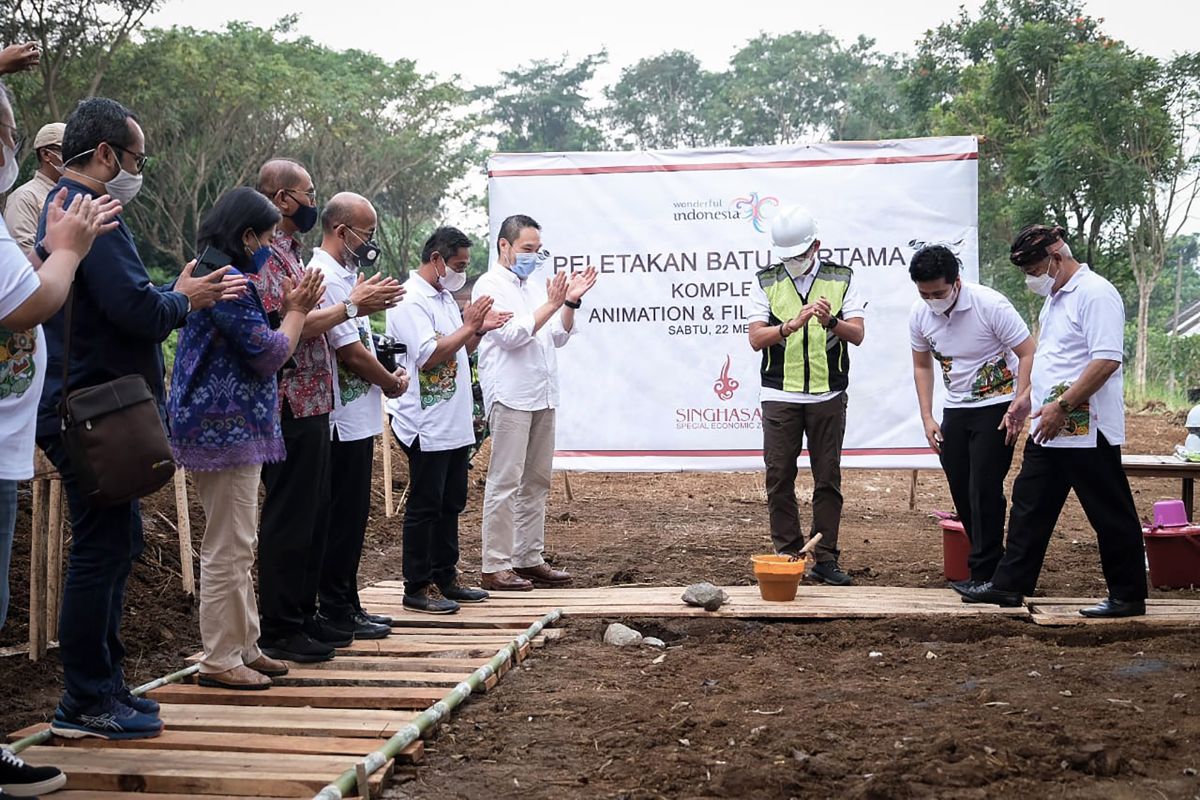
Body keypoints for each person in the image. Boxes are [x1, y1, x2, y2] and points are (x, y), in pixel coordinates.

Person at [35, 97, 244, 740]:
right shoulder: (87, 213)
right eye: (135, 158)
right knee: (101, 551)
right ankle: (86, 699)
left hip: (97, 408)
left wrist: (170, 294)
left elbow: (127, 300)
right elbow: (137, 313)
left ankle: (106, 685)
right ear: (104, 155)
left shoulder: (74, 208)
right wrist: (184, 299)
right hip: (93, 412)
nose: (137, 169)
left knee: (115, 543)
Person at [0, 78, 119, 796]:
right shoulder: (54, 212)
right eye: (8, 133)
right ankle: (90, 694)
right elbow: (34, 301)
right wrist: (69, 248)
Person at [168, 188, 325, 690]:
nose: (273, 244)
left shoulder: (210, 270)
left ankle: (246, 643)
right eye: (269, 234)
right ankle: (219, 657)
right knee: (228, 545)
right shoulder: (230, 283)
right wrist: (297, 310)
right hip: (224, 430)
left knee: (240, 539)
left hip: (226, 427)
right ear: (247, 236)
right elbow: (269, 353)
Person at [250, 160, 402, 662]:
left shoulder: (291, 256)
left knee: (314, 520)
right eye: (308, 191)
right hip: (291, 402)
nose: (313, 198)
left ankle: (306, 615)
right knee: (293, 521)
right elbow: (287, 325)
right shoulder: (270, 258)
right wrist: (353, 306)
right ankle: (282, 626)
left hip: (316, 403)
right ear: (282, 199)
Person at [956, 225, 1148, 617]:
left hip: (1085, 425)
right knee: (1030, 503)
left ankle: (1128, 595)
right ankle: (1011, 585)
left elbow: (1106, 360)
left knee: (1108, 510)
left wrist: (1062, 405)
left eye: (1035, 270)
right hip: (1051, 425)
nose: (1032, 280)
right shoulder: (1055, 299)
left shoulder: (1096, 294)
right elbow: (1053, 357)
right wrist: (1025, 400)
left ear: (1058, 258)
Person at [388, 226, 511, 613]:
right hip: (425, 422)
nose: (462, 272)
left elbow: (457, 350)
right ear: (437, 259)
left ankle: (446, 576)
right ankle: (417, 585)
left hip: (453, 422)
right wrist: (469, 326)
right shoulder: (411, 300)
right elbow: (427, 355)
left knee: (451, 502)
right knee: (426, 505)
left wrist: (476, 332)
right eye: (457, 264)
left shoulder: (442, 296)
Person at [747, 205, 866, 586]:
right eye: (787, 257)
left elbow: (857, 334)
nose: (793, 262)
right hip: (779, 392)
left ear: (816, 245)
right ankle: (787, 553)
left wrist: (830, 321)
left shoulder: (842, 278)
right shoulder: (765, 280)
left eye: (799, 255)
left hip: (827, 393)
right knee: (778, 475)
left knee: (827, 478)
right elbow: (755, 339)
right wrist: (789, 326)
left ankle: (826, 557)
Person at [311, 193, 408, 638]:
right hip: (340, 421)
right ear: (342, 231)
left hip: (357, 416)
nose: (370, 243)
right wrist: (389, 382)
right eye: (366, 235)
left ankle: (348, 601)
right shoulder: (327, 277)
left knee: (352, 518)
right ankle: (334, 606)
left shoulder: (347, 275)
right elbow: (348, 351)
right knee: (341, 519)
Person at [908, 244, 1035, 586]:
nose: (932, 299)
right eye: (924, 293)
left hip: (997, 407)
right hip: (956, 409)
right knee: (962, 489)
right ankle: (989, 565)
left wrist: (1020, 401)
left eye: (938, 292)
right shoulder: (920, 315)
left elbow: (1027, 351)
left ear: (957, 282)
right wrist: (927, 417)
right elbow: (922, 365)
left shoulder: (990, 305)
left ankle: (985, 572)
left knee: (984, 487)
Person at [4, 122, 64, 252]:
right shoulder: (24, 197)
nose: (73, 158)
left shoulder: (75, 194)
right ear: (46, 154)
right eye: (67, 151)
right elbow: (23, 251)